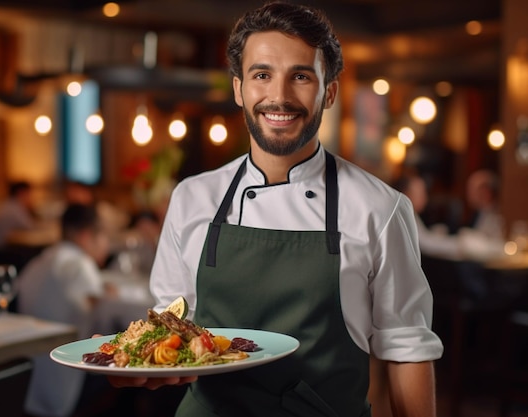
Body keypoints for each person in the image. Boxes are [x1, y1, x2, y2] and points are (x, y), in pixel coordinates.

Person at [106, 3, 443, 416]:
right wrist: (146, 364)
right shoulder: (193, 198)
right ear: (238, 89)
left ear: (329, 91)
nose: (279, 97)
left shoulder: (380, 208)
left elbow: (406, 346)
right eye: (261, 75)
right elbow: (172, 325)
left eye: (300, 76)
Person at [17, 203, 114, 417]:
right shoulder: (80, 264)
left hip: (28, 383)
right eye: (105, 236)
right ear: (87, 236)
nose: (108, 244)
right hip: (64, 384)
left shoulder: (40, 260)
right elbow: (105, 318)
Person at [465, 169, 505, 242]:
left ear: (486, 192)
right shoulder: (481, 212)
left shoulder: (499, 215)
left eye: (472, 189)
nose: (468, 194)